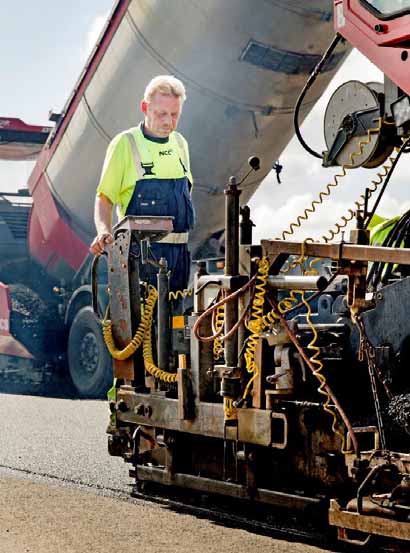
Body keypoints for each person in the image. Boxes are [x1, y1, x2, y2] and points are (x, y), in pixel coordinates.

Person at [90, 75, 194, 291]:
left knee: (176, 323)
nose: (168, 122)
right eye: (161, 114)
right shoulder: (125, 144)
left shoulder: (180, 144)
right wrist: (103, 230)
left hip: (180, 258)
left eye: (175, 115)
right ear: (145, 107)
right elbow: (105, 197)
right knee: (145, 325)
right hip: (140, 260)